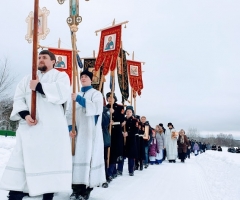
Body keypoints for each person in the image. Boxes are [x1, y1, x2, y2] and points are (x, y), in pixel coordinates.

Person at [0, 50, 72, 200]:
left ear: (53, 61)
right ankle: (15, 195)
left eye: (44, 57)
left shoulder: (60, 76)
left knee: (48, 162)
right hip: (29, 128)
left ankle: (48, 195)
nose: (41, 60)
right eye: (39, 57)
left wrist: (39, 87)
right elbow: (18, 99)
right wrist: (25, 115)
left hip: (51, 130)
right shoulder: (27, 79)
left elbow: (62, 93)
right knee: (21, 159)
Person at [67, 70, 105, 200]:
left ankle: (86, 190)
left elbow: (97, 109)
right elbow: (69, 113)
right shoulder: (74, 94)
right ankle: (75, 189)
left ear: (91, 80)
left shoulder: (96, 94)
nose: (83, 78)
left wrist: (80, 100)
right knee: (75, 159)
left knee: (89, 157)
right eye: (81, 77)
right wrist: (70, 127)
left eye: (86, 77)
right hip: (77, 133)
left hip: (90, 133)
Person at [106, 92, 125, 179]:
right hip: (107, 130)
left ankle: (111, 171)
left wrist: (114, 113)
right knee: (107, 151)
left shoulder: (120, 107)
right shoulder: (105, 107)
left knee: (114, 151)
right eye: (108, 97)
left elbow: (122, 119)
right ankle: (110, 171)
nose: (109, 99)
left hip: (116, 130)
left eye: (111, 97)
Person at [123, 106, 138, 176]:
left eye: (130, 112)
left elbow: (136, 130)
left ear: (132, 113)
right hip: (123, 139)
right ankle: (119, 170)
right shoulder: (123, 119)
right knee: (122, 155)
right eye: (127, 112)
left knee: (131, 156)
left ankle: (131, 170)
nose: (128, 113)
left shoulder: (135, 120)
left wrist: (128, 133)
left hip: (131, 140)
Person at [101, 106, 111, 188]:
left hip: (103, 138)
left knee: (103, 159)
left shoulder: (105, 110)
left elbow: (105, 122)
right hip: (91, 138)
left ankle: (104, 176)